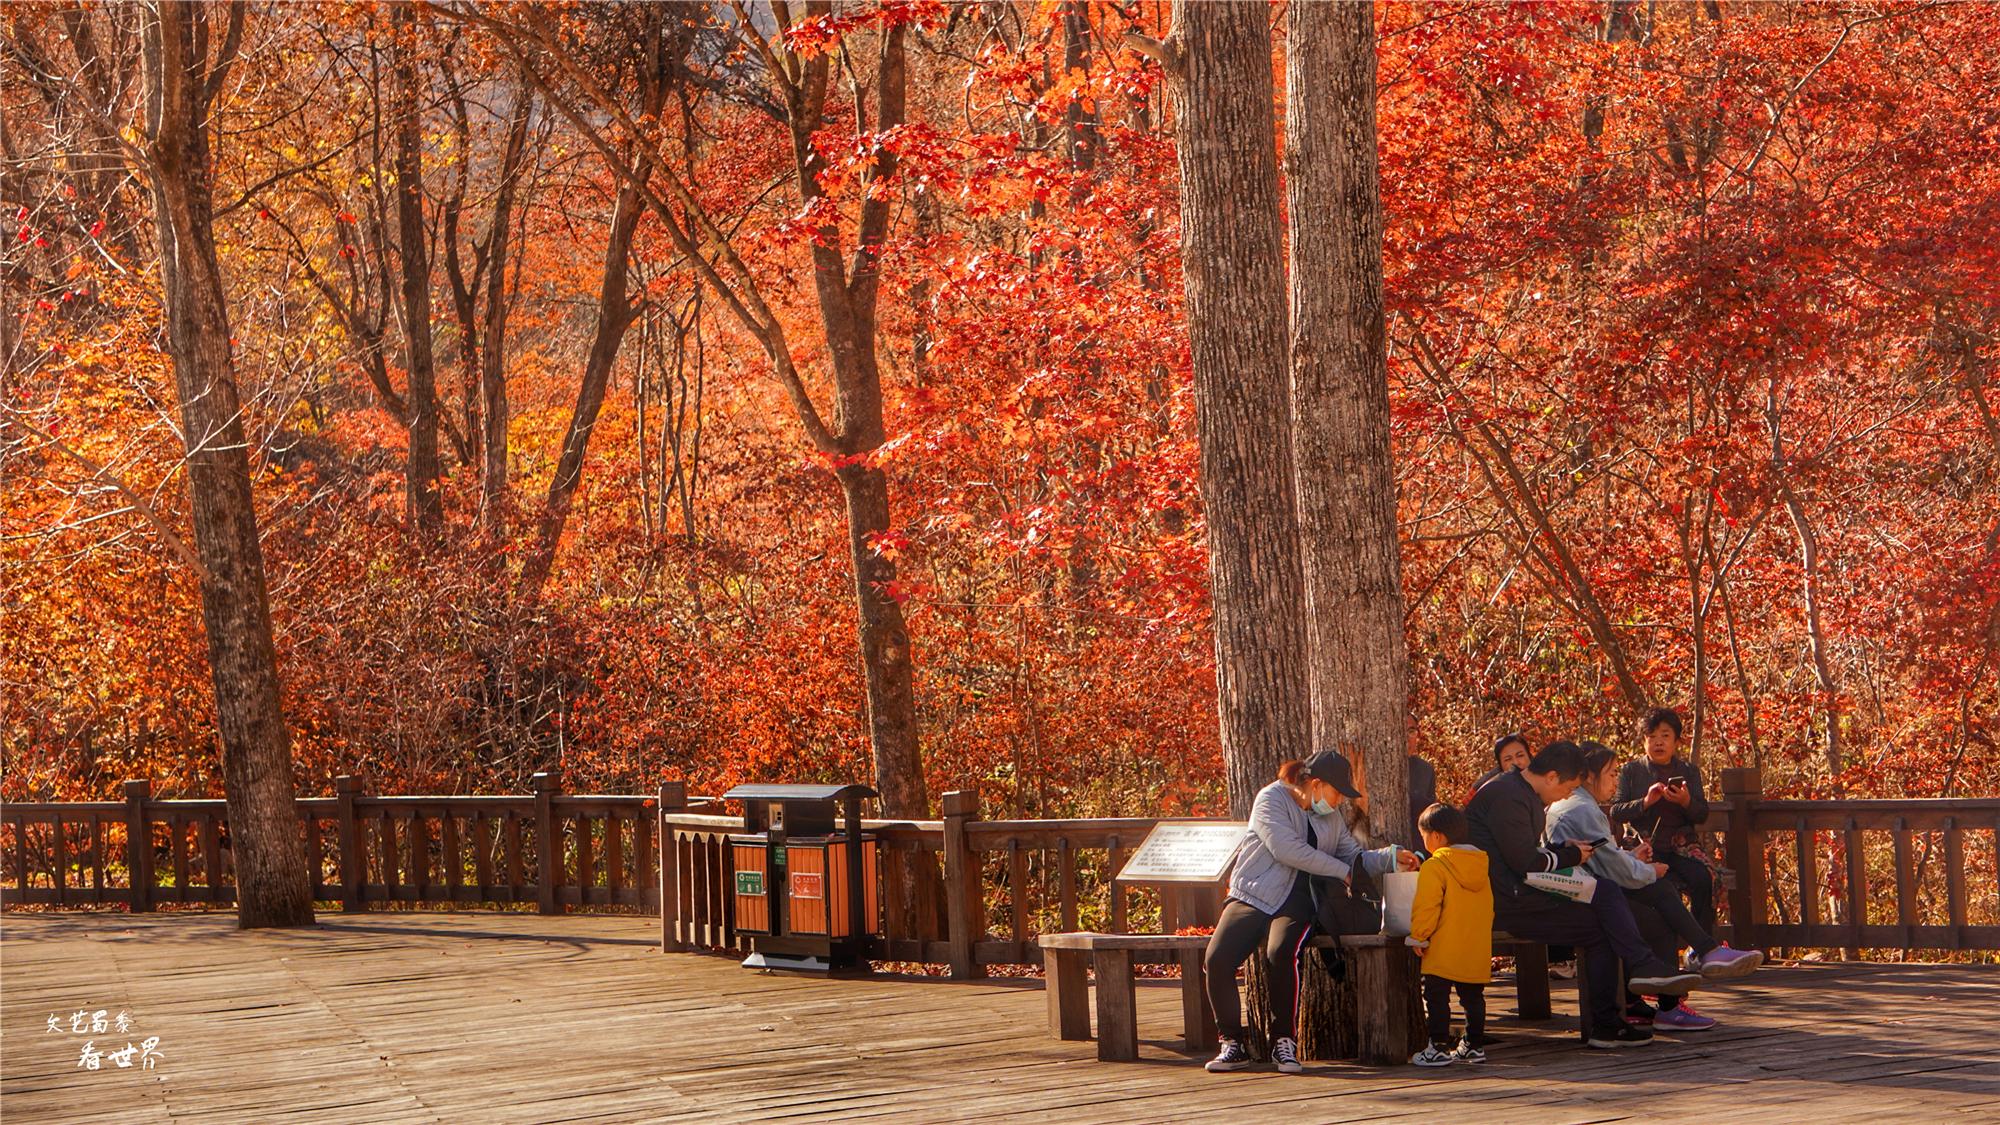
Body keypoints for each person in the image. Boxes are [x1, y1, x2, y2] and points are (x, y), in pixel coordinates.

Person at [1467, 740, 1704, 1049]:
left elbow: (1527, 854)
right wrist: (1568, 856)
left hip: (1521, 891)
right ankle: (1630, 984)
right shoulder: (1507, 796)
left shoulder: (1519, 792)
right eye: (1568, 787)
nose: (1567, 795)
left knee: (1602, 914)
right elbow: (1523, 861)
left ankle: (1609, 1021)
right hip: (1507, 902)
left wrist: (1564, 851)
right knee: (1604, 904)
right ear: (1552, 776)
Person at [1203, 751, 1420, 1075]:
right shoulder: (1270, 799)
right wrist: (1342, 872)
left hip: (1300, 899)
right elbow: (1286, 849)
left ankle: (1283, 1042)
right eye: (1337, 794)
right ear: (1316, 784)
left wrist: (1391, 857)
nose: (1339, 802)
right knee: (1216, 960)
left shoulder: (1329, 817)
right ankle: (1232, 1043)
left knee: (1282, 953)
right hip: (1254, 892)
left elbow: (1352, 856)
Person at [1551, 743, 1764, 1031]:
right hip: (1585, 900)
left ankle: (1652, 994)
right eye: (1612, 774)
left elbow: (1602, 858)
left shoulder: (1572, 805)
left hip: (1587, 892)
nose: (1615, 780)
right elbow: (1613, 869)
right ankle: (1679, 990)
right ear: (1589, 775)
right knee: (1659, 907)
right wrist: (1648, 870)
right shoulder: (1581, 809)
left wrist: (1631, 858)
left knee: (1660, 895)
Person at [1609, 709, 1716, 932]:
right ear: (1644, 741)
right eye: (1652, 737)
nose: (1658, 742)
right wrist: (1646, 802)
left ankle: (1703, 943)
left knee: (1703, 878)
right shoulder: (1631, 770)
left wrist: (1686, 801)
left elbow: (1701, 814)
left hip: (1681, 847)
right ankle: (1660, 947)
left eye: (1665, 736)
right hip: (1644, 847)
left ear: (1676, 741)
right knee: (1659, 887)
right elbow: (1617, 811)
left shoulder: (1688, 770)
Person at [1406, 803, 1493, 1066]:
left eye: (1423, 835)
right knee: (1473, 997)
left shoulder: (1435, 866)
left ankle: (1438, 1046)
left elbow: (1427, 905)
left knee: (1436, 996)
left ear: (1436, 836)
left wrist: (1419, 935)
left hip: (1443, 944)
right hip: (1475, 944)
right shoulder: (1480, 866)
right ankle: (1474, 1044)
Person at [1468, 732, 1532, 801]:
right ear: (1500, 766)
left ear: (1529, 756)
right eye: (1508, 759)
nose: (1516, 763)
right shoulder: (1492, 791)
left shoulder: (1543, 780)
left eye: (1520, 755)